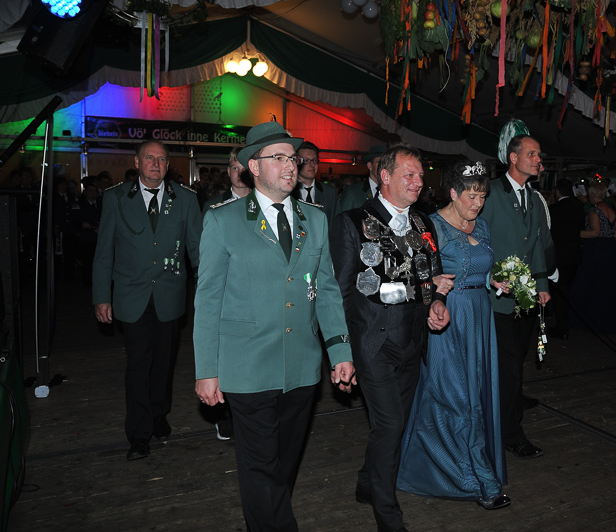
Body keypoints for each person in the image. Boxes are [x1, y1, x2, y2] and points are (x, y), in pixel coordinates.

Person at [194, 121, 357, 531]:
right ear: (253, 166)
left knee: (283, 463)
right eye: (279, 157)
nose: (291, 165)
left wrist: (339, 351)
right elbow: (207, 301)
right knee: (261, 465)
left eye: (293, 158)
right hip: (246, 366)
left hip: (301, 365)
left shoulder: (315, 220)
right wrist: (207, 370)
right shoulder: (223, 221)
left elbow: (327, 289)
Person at [330, 143, 451, 532]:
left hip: (412, 343)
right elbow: (339, 293)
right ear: (385, 176)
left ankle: (368, 482)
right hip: (372, 345)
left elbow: (432, 278)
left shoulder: (424, 223)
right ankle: (388, 516)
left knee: (391, 426)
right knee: (390, 425)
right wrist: (341, 352)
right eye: (409, 175)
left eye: (420, 176)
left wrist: (437, 304)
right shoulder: (352, 222)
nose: (418, 182)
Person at [397, 160, 510, 511]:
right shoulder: (431, 226)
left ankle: (467, 468)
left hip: (480, 317)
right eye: (471, 196)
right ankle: (477, 479)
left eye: (482, 196)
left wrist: (492, 279)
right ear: (453, 193)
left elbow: (479, 265)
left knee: (474, 393)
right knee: (457, 398)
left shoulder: (483, 226)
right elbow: (416, 275)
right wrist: (435, 295)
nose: (478, 203)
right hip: (447, 317)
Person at [92, 139, 202, 461]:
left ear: (168, 165)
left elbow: (196, 250)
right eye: (150, 158)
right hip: (131, 295)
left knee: (164, 362)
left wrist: (209, 290)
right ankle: (139, 434)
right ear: (137, 163)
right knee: (139, 363)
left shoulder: (185, 199)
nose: (156, 164)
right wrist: (101, 297)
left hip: (170, 294)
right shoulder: (115, 198)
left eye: (162, 159)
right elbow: (103, 253)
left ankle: (158, 413)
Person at [481, 133, 552, 460]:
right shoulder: (491, 193)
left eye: (539, 155)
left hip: (525, 300)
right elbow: (476, 239)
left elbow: (536, 244)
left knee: (514, 367)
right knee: (509, 369)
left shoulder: (535, 199)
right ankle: (511, 433)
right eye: (532, 154)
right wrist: (487, 276)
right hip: (495, 300)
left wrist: (542, 284)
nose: (539, 160)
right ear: (513, 157)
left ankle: (498, 420)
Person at [570, 182, 616, 335]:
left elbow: (595, 232)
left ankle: (592, 319)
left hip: (596, 250)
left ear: (592, 195)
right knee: (608, 286)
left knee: (592, 285)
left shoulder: (594, 211)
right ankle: (608, 319)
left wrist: (573, 233)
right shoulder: (612, 211)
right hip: (611, 251)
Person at [547, 178, 585, 339]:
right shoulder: (579, 207)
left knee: (559, 293)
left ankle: (562, 328)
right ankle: (563, 325)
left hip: (559, 257)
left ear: (557, 192)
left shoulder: (554, 209)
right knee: (565, 291)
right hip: (574, 255)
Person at [291, 141, 339, 225]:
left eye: (314, 160)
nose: (312, 164)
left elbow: (336, 224)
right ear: (297, 162)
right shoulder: (289, 191)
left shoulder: (329, 192)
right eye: (306, 161)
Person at [202, 146, 253, 213]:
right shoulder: (213, 207)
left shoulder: (263, 202)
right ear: (229, 171)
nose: (240, 173)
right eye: (235, 168)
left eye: (245, 169)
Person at [339, 145, 386, 212]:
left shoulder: (392, 192)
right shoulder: (352, 192)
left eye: (387, 163)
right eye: (380, 163)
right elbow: (342, 217)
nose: (384, 167)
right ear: (370, 166)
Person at [77, 181, 102, 286]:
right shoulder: (81, 205)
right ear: (85, 192)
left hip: (99, 237)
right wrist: (82, 223)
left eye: (94, 191)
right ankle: (87, 281)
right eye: (90, 191)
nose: (93, 193)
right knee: (87, 261)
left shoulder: (101, 204)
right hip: (87, 238)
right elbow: (76, 219)